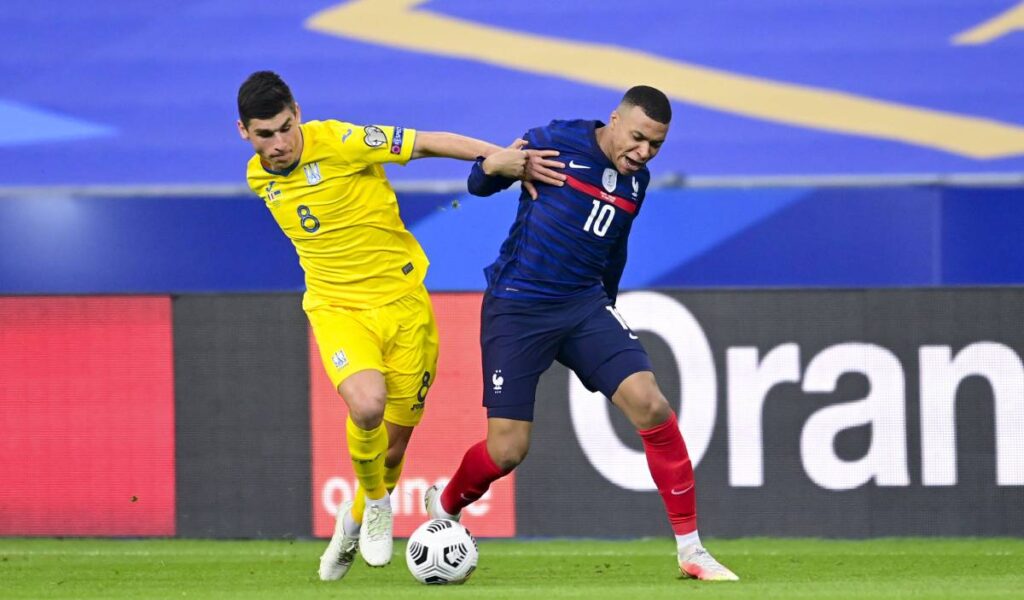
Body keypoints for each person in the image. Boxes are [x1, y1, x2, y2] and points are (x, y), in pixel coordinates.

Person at [235, 70, 562, 582]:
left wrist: (497, 158)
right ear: (244, 133)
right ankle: (378, 504)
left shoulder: (343, 141)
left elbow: (430, 142)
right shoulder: (259, 177)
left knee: (392, 446)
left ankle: (353, 521)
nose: (277, 144)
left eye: (283, 128)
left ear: (296, 113)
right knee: (366, 406)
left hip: (405, 307)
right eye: (264, 135)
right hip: (338, 309)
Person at [424, 86, 739, 581]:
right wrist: (496, 166)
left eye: (655, 145)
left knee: (651, 403)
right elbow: (477, 186)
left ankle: (692, 551)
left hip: (582, 306)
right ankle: (444, 505)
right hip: (519, 306)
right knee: (507, 450)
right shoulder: (555, 141)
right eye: (637, 138)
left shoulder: (638, 182)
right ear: (614, 120)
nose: (643, 152)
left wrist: (605, 306)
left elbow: (615, 247)